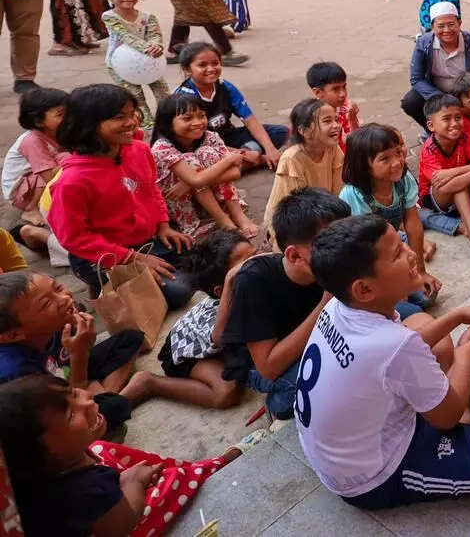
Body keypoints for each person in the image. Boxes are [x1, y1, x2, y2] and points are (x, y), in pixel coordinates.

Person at [296, 215, 470, 509]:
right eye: (396, 255)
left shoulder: (338, 306)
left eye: (401, 241)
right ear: (364, 290)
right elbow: (446, 419)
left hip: (347, 447)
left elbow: (398, 350)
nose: (410, 253)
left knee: (420, 320)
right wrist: (466, 362)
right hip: (374, 476)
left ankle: (469, 392)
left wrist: (456, 316)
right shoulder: (393, 345)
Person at [0, 376, 258, 536]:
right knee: (172, 479)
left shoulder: (49, 474)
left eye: (75, 393)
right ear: (42, 455)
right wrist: (131, 483)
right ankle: (214, 466)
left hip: (101, 504)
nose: (88, 400)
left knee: (103, 449)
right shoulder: (86, 490)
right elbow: (122, 524)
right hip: (121, 522)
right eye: (70, 416)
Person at [46, 84, 195, 310]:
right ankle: (103, 288)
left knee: (204, 260)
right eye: (119, 117)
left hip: (147, 241)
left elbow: (151, 190)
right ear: (89, 123)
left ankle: (114, 287)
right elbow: (74, 238)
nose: (131, 122)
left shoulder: (139, 150)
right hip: (100, 256)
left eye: (131, 114)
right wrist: (134, 259)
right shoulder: (72, 181)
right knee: (180, 291)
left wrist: (163, 225)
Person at [220, 186, 347, 419]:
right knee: (308, 390)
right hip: (259, 365)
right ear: (295, 256)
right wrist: (325, 305)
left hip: (311, 337)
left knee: (409, 309)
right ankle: (275, 401)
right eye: (331, 243)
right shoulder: (254, 280)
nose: (344, 248)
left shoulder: (329, 260)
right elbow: (268, 367)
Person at [0, 272, 144, 434]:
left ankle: (102, 393)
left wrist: (80, 349)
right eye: (46, 304)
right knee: (116, 407)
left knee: (130, 338)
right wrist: (80, 355)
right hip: (54, 408)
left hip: (67, 374)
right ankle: (127, 392)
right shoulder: (16, 373)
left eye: (58, 287)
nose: (65, 298)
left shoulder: (54, 325)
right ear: (14, 335)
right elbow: (65, 410)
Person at [143, 229, 256, 409]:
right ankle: (150, 383)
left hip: (214, 343)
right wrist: (229, 281)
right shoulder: (225, 309)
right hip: (185, 352)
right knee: (227, 392)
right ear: (223, 290)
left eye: (256, 255)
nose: (259, 262)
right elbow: (220, 337)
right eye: (248, 265)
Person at [340, 123, 440, 312]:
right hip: (364, 259)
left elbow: (413, 223)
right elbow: (369, 250)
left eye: (397, 152)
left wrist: (420, 271)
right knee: (404, 307)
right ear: (365, 166)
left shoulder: (403, 179)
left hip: (389, 246)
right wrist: (395, 285)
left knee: (427, 297)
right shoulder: (354, 195)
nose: (397, 162)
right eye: (385, 158)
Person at [150, 93, 257, 240]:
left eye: (202, 116)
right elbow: (197, 180)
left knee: (205, 152)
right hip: (179, 201)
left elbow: (235, 173)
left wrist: (188, 183)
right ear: (168, 123)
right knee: (190, 160)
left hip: (204, 192)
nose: (198, 122)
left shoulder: (209, 136)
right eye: (187, 118)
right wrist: (230, 158)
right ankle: (224, 222)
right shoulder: (162, 147)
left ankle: (238, 216)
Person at [419, 94, 470, 271]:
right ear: (431, 125)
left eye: (458, 117)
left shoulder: (465, 137)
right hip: (437, 200)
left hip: (460, 191)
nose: (455, 123)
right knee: (460, 183)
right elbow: (444, 185)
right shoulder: (429, 148)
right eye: (446, 119)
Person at [175, 42, 287, 167]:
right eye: (202, 65)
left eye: (215, 63)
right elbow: (193, 142)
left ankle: (250, 159)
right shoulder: (183, 98)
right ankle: (256, 159)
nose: (211, 69)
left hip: (228, 137)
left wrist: (270, 149)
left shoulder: (225, 87)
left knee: (281, 133)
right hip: (203, 146)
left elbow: (249, 119)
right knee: (204, 159)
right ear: (187, 69)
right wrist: (242, 153)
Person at [261, 98, 344, 244]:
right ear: (304, 131)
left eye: (335, 119)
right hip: (289, 224)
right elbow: (296, 208)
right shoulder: (292, 158)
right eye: (327, 121)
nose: (336, 126)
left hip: (320, 214)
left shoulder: (333, 149)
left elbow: (338, 191)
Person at [401, 1, 470, 130]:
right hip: (436, 91)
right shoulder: (423, 43)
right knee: (410, 102)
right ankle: (435, 131)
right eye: (441, 26)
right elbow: (417, 78)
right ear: (432, 27)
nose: (447, 30)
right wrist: (440, 97)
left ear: (459, 24)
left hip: (466, 90)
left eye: (451, 25)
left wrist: (467, 97)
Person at [3, 87, 68, 252]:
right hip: (21, 190)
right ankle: (30, 210)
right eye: (60, 114)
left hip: (37, 178)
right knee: (66, 159)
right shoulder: (32, 141)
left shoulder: (60, 131)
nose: (69, 118)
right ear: (39, 122)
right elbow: (48, 177)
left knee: (66, 158)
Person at [101, 0, 170, 129]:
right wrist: (149, 48)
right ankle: (148, 129)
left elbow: (155, 34)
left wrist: (156, 45)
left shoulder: (147, 17)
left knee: (164, 94)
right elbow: (126, 36)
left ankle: (168, 122)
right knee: (136, 98)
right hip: (121, 66)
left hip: (150, 63)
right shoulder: (109, 16)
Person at [307, 60, 360, 151]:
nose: (343, 94)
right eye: (335, 89)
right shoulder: (308, 116)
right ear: (318, 92)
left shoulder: (345, 109)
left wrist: (352, 120)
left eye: (344, 87)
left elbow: (358, 142)